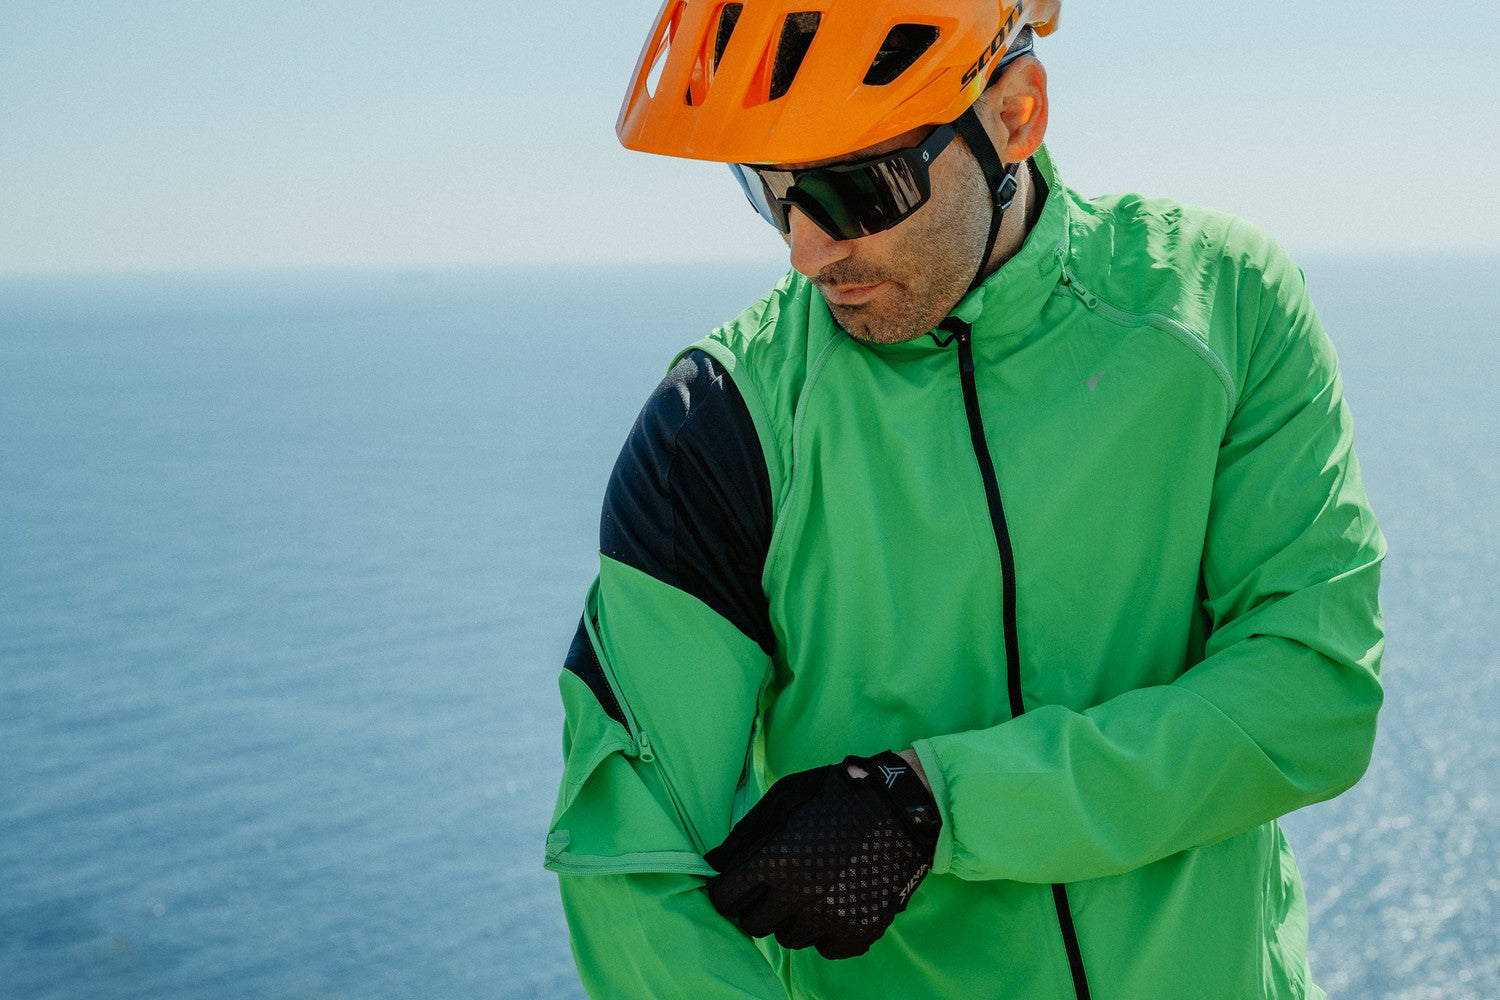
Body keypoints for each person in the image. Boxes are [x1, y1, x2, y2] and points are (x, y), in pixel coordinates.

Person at [544, 2, 1386, 997]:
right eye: (769, 189)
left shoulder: (1225, 305)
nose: (807, 251)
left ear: (1015, 116)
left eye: (858, 188)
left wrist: (936, 803)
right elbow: (632, 870)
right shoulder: (721, 429)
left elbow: (1310, 695)